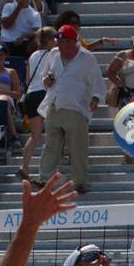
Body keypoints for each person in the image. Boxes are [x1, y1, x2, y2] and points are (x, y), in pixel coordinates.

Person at [36, 23, 102, 193]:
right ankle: (45, 179)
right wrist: (46, 81)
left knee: (78, 148)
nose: (58, 44)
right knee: (51, 146)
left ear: (72, 42)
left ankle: (79, 182)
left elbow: (97, 82)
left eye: (62, 40)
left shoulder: (87, 58)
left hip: (77, 109)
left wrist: (95, 98)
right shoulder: (53, 54)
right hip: (55, 105)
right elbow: (44, 75)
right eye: (58, 40)